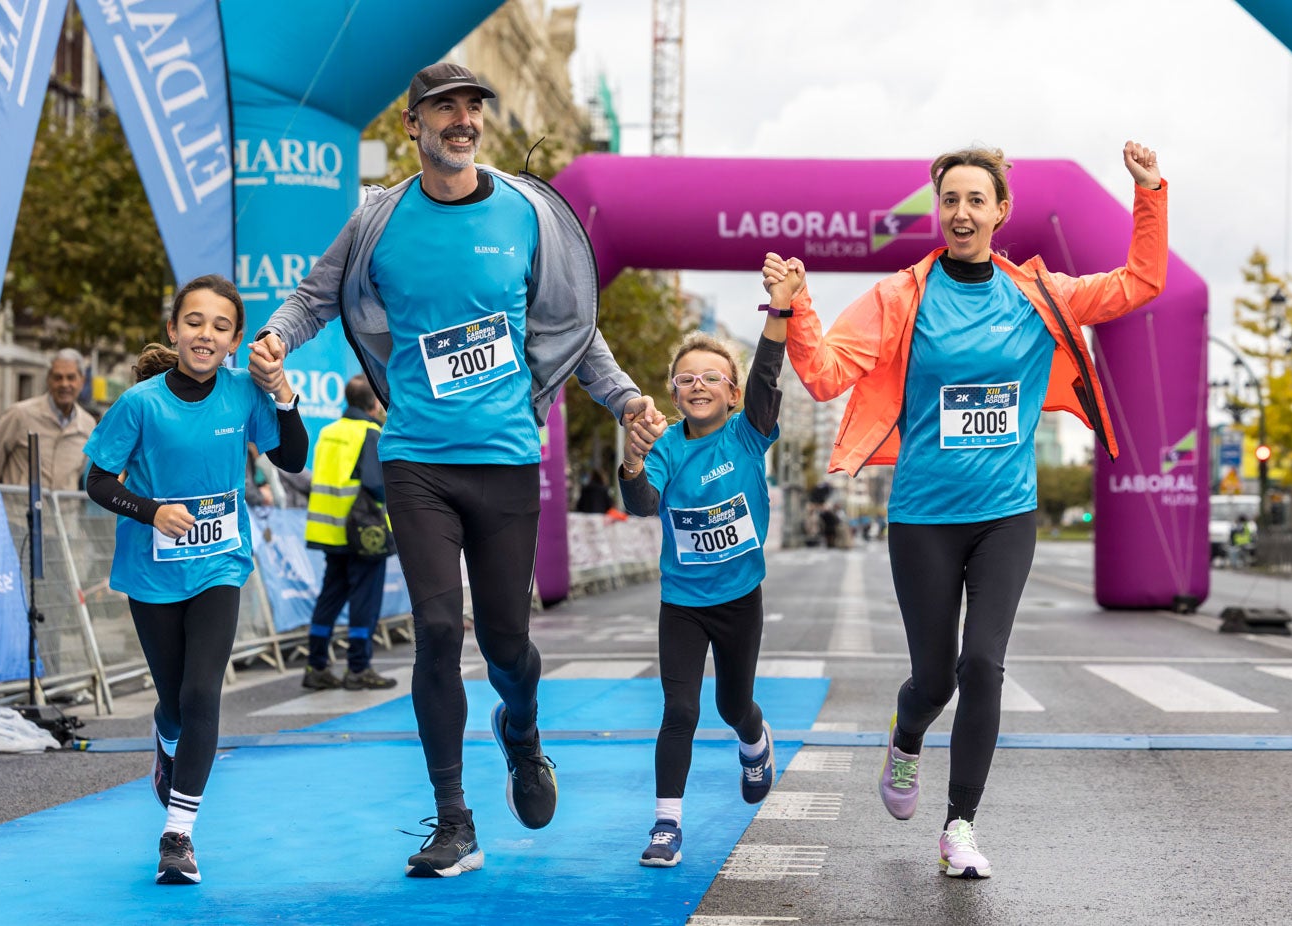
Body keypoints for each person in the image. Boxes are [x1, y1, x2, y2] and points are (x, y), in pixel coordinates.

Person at [248, 62, 658, 878]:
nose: (462, 119)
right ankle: (453, 820)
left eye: (473, 106)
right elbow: (314, 295)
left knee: (507, 643)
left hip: (507, 460)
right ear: (414, 126)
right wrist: (277, 339)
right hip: (417, 461)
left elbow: (573, 327)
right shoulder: (377, 218)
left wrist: (621, 398)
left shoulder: (526, 212)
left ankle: (523, 732)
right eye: (445, 108)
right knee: (439, 630)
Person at [768, 140, 1166, 879]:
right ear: (938, 210)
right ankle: (907, 734)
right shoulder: (899, 297)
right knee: (935, 680)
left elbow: (1140, 283)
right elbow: (822, 376)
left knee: (981, 664)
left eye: (974, 200)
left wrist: (1148, 194)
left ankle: (959, 827)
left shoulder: (1037, 295)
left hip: (1004, 514)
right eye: (948, 199)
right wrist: (797, 307)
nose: (960, 212)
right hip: (922, 517)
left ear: (1000, 212)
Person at [84, 275, 307, 885]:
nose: (205, 334)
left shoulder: (242, 394)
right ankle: (166, 736)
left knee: (204, 693)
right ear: (173, 329)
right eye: (194, 322)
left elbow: (292, 458)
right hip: (153, 573)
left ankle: (177, 836)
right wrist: (151, 510)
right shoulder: (140, 404)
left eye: (220, 326)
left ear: (235, 340)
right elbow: (98, 482)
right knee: (177, 702)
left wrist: (283, 394)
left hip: (219, 567)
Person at [618, 282, 791, 867]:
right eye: (686, 378)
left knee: (733, 705)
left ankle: (755, 741)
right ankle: (666, 826)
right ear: (673, 390)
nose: (697, 385)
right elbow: (643, 503)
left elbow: (768, 376)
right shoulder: (665, 446)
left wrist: (779, 308)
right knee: (680, 712)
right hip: (683, 602)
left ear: (732, 393)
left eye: (711, 377)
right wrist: (632, 463)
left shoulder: (748, 432)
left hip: (740, 596)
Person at [301, 374, 398, 692]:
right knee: (364, 599)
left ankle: (316, 665)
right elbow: (375, 483)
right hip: (362, 531)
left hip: (331, 531)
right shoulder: (371, 432)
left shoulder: (329, 432)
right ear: (373, 404)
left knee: (330, 596)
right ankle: (358, 667)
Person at [0, 348, 96, 490]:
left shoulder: (88, 425)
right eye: (58, 377)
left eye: (71, 378)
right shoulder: (20, 414)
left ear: (81, 381)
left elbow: (81, 474)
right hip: (20, 511)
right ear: (48, 380)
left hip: (65, 511)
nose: (64, 384)